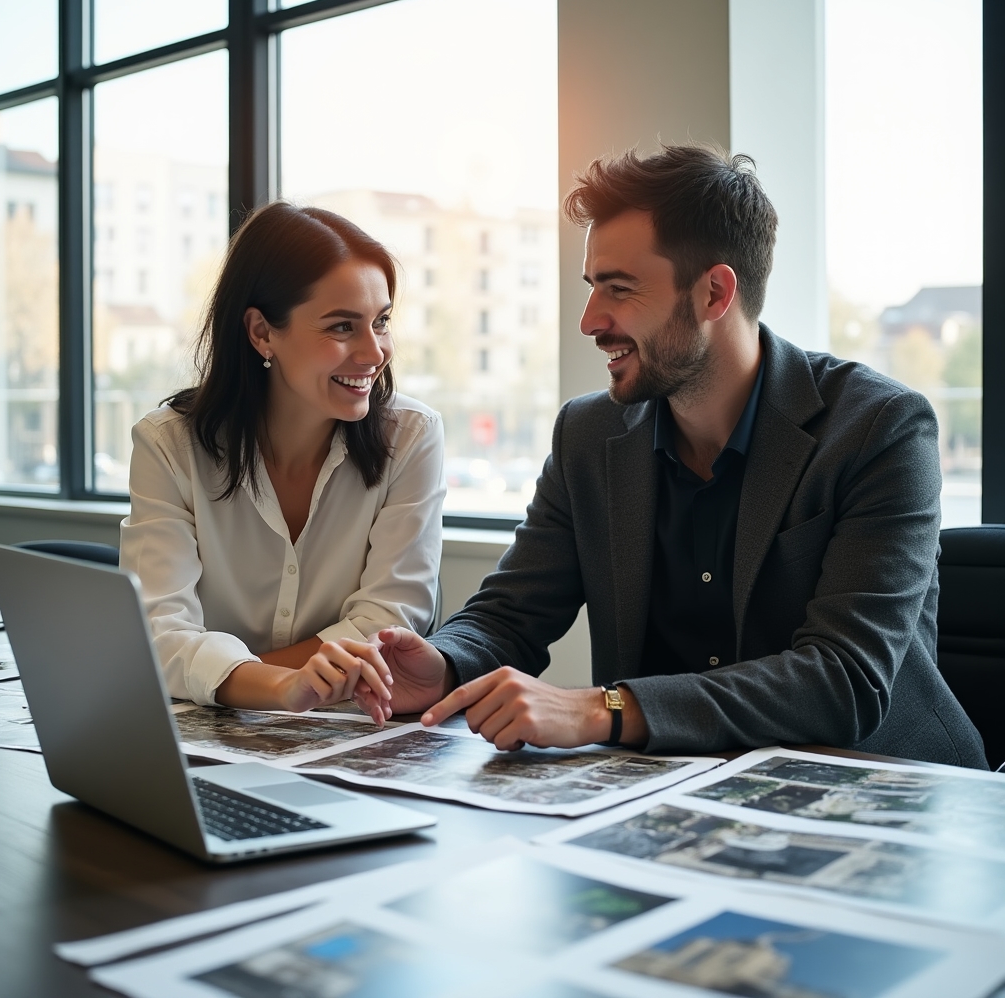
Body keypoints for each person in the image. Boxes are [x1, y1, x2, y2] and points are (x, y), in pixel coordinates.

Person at [362, 144, 987, 769]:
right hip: (666, 788)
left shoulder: (879, 429)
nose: (589, 320)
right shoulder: (588, 434)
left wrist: (604, 709)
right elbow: (511, 613)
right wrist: (444, 663)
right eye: (592, 288)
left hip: (876, 787)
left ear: (714, 292)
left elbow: (842, 679)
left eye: (619, 288)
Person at [121, 202, 444, 717]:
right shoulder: (168, 445)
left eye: (381, 322)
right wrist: (280, 687)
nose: (374, 353)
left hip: (350, 731)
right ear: (262, 332)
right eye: (342, 327)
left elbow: (386, 623)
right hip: (205, 735)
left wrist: (246, 680)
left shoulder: (411, 437)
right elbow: (158, 636)